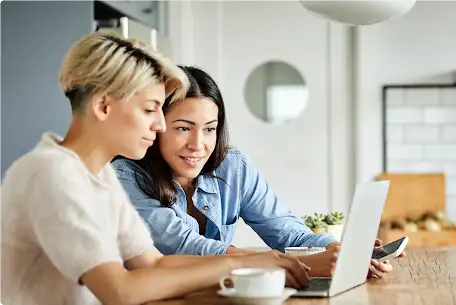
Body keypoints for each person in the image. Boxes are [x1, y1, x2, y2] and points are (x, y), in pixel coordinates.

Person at [0, 31, 310, 305]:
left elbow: (153, 264)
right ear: (103, 106)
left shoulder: (99, 175)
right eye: (150, 109)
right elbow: (120, 292)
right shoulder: (53, 174)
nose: (160, 124)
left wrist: (259, 263)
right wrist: (235, 265)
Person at [112, 65, 403, 279]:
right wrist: (288, 263)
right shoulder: (126, 176)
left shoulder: (233, 166)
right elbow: (184, 247)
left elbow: (288, 231)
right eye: (183, 128)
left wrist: (344, 252)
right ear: (158, 126)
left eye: (210, 129)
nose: (198, 145)